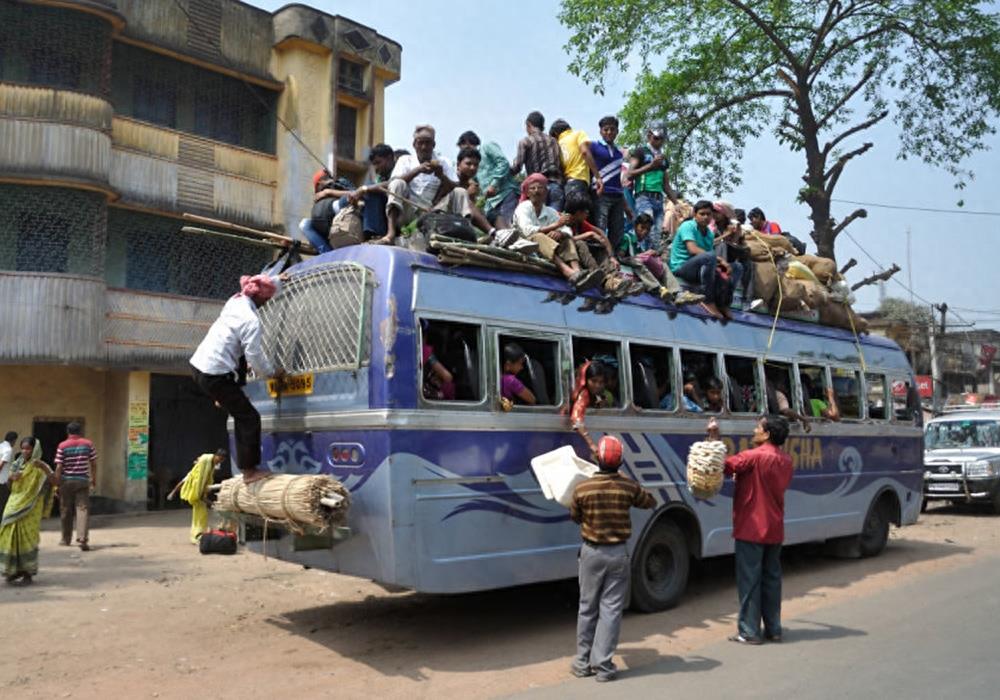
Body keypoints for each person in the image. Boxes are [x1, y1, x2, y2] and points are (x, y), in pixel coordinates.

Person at [570, 435, 655, 682]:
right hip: (618, 553)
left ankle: (582, 663)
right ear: (620, 462)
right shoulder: (627, 487)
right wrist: (629, 482)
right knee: (611, 610)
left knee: (587, 608)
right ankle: (604, 667)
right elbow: (649, 501)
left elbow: (575, 516)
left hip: (591, 553)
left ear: (597, 460)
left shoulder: (583, 488)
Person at [190, 274, 286, 484]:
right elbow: (255, 356)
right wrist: (272, 373)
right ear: (261, 298)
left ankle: (222, 396)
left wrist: (279, 279)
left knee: (240, 360)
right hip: (215, 375)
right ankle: (249, 471)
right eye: (267, 300)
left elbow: (262, 282)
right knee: (249, 418)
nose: (267, 303)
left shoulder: (235, 300)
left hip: (199, 366)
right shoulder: (251, 321)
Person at [708, 414, 793, 645]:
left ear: (766, 434)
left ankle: (749, 631)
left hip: (751, 527)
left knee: (750, 580)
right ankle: (774, 629)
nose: (754, 430)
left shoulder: (753, 457)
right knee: (772, 579)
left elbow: (722, 465)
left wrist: (714, 438)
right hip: (774, 527)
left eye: (758, 427)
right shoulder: (786, 460)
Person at [381, 125, 484, 245]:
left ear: (433, 145)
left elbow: (455, 187)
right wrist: (417, 170)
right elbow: (392, 183)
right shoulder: (405, 160)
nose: (424, 147)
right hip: (408, 210)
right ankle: (391, 234)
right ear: (414, 144)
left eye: (428, 143)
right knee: (397, 183)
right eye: (421, 143)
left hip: (433, 211)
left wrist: (441, 175)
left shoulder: (443, 162)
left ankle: (467, 232)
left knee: (460, 192)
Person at [513, 174, 599, 290]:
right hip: (525, 246)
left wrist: (560, 232)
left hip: (547, 248)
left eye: (540, 188)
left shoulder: (550, 211)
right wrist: (555, 226)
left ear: (546, 193)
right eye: (532, 188)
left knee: (565, 237)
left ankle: (577, 271)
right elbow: (528, 231)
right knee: (538, 236)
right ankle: (567, 271)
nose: (536, 191)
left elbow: (566, 229)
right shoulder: (523, 208)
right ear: (527, 194)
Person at [668, 200, 742, 320]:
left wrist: (721, 265)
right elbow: (692, 249)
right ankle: (707, 300)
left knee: (737, 267)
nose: (705, 217)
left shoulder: (709, 233)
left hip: (699, 268)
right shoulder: (688, 226)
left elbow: (709, 259)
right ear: (695, 215)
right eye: (702, 214)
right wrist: (719, 259)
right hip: (682, 267)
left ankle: (724, 303)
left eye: (708, 214)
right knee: (710, 257)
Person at [0, 437, 56, 584]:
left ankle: (27, 573)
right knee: (8, 531)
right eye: (23, 448)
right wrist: (11, 477)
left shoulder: (39, 465)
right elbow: (6, 482)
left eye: (28, 448)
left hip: (31, 507)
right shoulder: (17, 463)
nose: (25, 451)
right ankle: (13, 570)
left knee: (27, 539)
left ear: (34, 449)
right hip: (14, 502)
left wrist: (44, 467)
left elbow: (55, 481)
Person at [628, 126, 679, 252]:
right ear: (649, 136)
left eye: (662, 139)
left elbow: (666, 184)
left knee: (656, 235)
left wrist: (676, 203)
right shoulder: (640, 151)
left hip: (658, 198)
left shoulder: (663, 159)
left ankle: (652, 260)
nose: (659, 141)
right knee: (644, 228)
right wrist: (651, 165)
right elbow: (629, 174)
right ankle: (638, 254)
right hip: (643, 196)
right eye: (656, 138)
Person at [457, 131, 520, 229]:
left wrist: (494, 184)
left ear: (466, 142)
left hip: (505, 194)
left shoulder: (487, 147)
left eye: (463, 148)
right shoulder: (472, 165)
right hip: (491, 203)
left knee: (507, 228)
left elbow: (503, 162)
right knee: (497, 231)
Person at [582, 116, 627, 250]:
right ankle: (601, 256)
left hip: (617, 195)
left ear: (617, 131)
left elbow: (619, 177)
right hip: (601, 194)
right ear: (601, 131)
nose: (609, 132)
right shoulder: (595, 146)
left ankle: (613, 256)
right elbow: (583, 149)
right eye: (605, 129)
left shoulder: (619, 152)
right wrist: (597, 177)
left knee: (617, 229)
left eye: (612, 129)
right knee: (600, 226)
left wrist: (627, 206)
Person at [168, 449, 228, 544]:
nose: (219, 461)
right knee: (201, 513)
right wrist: (211, 504)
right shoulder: (204, 462)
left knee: (201, 514)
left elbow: (208, 480)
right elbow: (200, 460)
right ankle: (198, 534)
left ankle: (198, 533)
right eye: (219, 459)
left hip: (201, 490)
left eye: (221, 460)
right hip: (196, 487)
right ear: (217, 455)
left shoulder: (212, 467)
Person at [54, 421, 97, 551]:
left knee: (66, 509)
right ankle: (82, 538)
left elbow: (59, 466)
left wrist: (56, 483)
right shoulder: (88, 444)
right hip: (83, 480)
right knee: (82, 509)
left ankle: (66, 539)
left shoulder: (62, 445)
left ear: (68, 432)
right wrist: (93, 479)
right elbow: (94, 463)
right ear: (80, 431)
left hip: (66, 481)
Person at [510, 111, 564, 211]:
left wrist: (505, 175)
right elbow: (561, 164)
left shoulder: (525, 141)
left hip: (537, 189)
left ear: (528, 124)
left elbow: (517, 167)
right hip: (556, 186)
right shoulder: (554, 141)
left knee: (539, 223)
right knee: (555, 222)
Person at [570, 360, 609, 458]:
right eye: (594, 381)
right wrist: (591, 443)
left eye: (601, 382)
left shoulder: (597, 394)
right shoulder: (584, 394)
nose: (597, 385)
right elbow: (576, 419)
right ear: (585, 379)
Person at [549, 119, 591, 202]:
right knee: (580, 212)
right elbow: (585, 152)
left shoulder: (558, 144)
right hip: (579, 177)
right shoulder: (578, 134)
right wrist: (597, 176)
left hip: (568, 183)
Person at [0, 430, 17, 517]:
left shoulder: (1, 446)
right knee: (3, 505)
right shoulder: (8, 450)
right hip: (2, 482)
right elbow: (1, 465)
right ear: (14, 440)